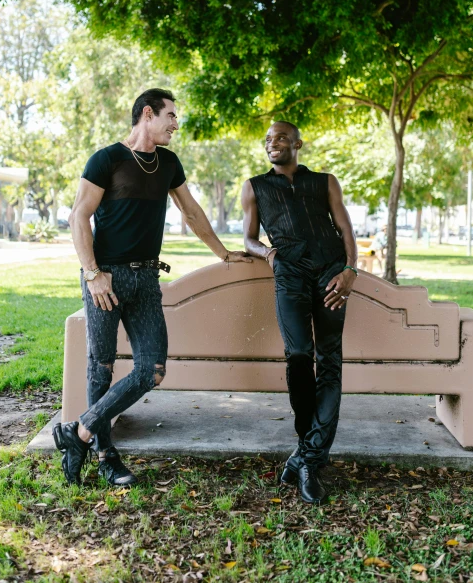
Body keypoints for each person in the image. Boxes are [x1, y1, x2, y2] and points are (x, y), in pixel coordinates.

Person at [53, 88, 251, 486]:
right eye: (171, 116)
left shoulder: (168, 164)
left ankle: (78, 433)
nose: (176, 125)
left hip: (145, 279)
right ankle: (106, 455)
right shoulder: (107, 158)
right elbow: (79, 217)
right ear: (148, 113)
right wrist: (92, 273)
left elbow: (191, 211)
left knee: (152, 369)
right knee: (101, 367)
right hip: (105, 277)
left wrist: (223, 253)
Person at [241, 121, 358, 504]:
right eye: (268, 140)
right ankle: (310, 451)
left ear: (297, 144)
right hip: (288, 273)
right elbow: (248, 238)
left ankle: (306, 459)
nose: (272, 144)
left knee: (329, 361)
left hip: (329, 275)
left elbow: (345, 229)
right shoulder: (255, 187)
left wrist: (349, 271)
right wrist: (268, 253)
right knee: (298, 357)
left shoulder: (325, 182)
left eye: (280, 138)